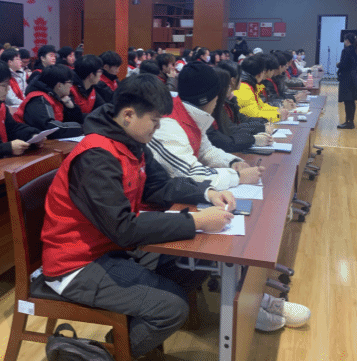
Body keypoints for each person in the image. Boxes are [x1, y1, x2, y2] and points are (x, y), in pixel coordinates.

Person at [41, 74, 237, 358]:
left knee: (194, 263)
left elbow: (159, 186)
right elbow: (124, 229)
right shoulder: (96, 156)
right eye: (154, 121)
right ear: (129, 115)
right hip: (77, 264)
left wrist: (207, 193)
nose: (157, 129)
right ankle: (102, 354)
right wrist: (196, 221)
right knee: (172, 308)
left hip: (111, 249)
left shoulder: (131, 141)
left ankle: (120, 343)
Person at [148, 62, 264, 191]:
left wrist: (233, 162)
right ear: (209, 97)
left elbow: (206, 151)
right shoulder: (168, 124)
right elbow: (189, 173)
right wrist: (237, 176)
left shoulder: (190, 113)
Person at [207, 67, 273, 153]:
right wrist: (255, 136)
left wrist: (264, 123)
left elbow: (241, 120)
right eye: (227, 85)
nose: (241, 81)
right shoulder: (243, 89)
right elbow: (230, 131)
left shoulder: (229, 99)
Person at [14, 64, 84, 138]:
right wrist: (81, 128)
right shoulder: (38, 99)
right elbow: (48, 128)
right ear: (59, 85)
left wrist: (72, 108)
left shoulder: (56, 96)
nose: (71, 86)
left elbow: (68, 121)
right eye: (70, 82)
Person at [235, 55, 289, 122]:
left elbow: (261, 106)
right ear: (261, 73)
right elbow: (254, 115)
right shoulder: (244, 88)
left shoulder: (250, 85)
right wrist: (278, 115)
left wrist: (278, 110)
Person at [337, 33, 357, 129]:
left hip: (346, 78)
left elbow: (343, 65)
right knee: (351, 101)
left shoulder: (346, 51)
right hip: (354, 77)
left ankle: (348, 123)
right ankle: (351, 121)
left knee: (347, 101)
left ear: (347, 40)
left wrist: (338, 64)